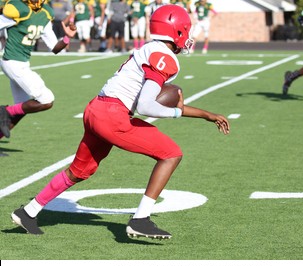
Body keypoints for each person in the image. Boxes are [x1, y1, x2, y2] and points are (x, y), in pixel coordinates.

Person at [10, 4, 230, 239]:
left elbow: (150, 100)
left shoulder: (149, 48)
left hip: (96, 108)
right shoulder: (164, 57)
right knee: (171, 154)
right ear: (176, 31)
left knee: (79, 170)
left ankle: (29, 211)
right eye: (185, 29)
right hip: (113, 116)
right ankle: (141, 219)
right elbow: (147, 106)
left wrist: (207, 115)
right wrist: (176, 113)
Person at [0, 0, 77, 140]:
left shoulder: (45, 13)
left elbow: (54, 48)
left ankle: (6, 113)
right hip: (12, 62)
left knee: (22, 109)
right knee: (46, 100)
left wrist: (67, 38)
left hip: (22, 63)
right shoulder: (18, 9)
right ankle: (4, 111)